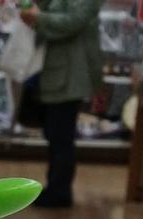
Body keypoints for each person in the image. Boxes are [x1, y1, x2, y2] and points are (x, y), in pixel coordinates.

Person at [21, 0, 102, 207]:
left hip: (69, 78)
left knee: (60, 136)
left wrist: (38, 18)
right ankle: (55, 187)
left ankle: (59, 191)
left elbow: (73, 21)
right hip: (57, 75)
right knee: (55, 134)